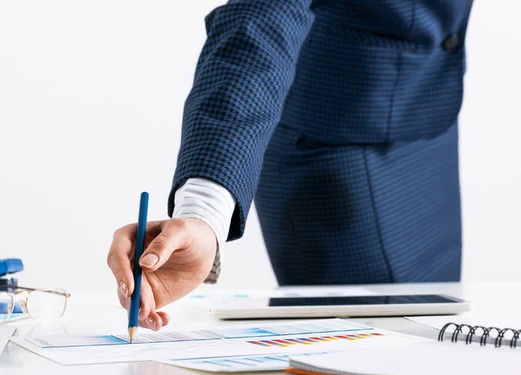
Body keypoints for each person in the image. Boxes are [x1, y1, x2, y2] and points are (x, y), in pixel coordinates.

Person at [107, 0, 473, 331]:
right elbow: (260, 20)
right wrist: (203, 213)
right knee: (385, 346)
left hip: (428, 102)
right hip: (337, 137)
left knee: (434, 330)